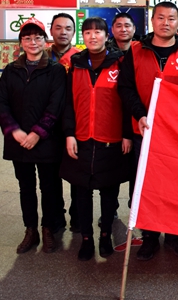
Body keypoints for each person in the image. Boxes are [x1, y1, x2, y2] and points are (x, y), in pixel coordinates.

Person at [118, 1, 178, 261]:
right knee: (145, 185)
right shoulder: (135, 51)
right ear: (152, 20)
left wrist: (177, 118)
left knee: (175, 185)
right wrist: (140, 114)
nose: (165, 23)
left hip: (176, 134)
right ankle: (149, 237)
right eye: (160, 18)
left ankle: (174, 236)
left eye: (171, 18)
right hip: (143, 131)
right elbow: (125, 88)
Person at [60, 17, 131, 261]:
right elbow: (68, 103)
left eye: (98, 32)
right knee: (81, 191)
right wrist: (69, 134)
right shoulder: (76, 64)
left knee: (109, 191)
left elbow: (127, 100)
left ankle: (105, 235)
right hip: (81, 137)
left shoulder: (120, 63)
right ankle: (86, 238)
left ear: (106, 36)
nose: (93, 36)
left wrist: (126, 134)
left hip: (110, 138)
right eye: (88, 32)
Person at [0, 17, 67, 254]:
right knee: (25, 187)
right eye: (27, 38)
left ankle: (48, 228)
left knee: (49, 186)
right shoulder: (11, 70)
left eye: (37, 37)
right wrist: (14, 131)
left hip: (46, 141)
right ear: (21, 42)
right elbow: (0, 102)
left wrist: (37, 133)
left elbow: (56, 105)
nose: (32, 42)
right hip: (18, 142)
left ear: (45, 41)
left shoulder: (55, 70)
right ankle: (31, 229)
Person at [46, 12, 81, 232]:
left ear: (73, 32)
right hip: (47, 126)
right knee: (50, 176)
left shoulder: (80, 58)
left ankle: (77, 216)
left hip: (74, 124)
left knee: (77, 174)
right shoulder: (42, 56)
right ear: (51, 30)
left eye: (68, 28)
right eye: (58, 28)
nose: (63, 32)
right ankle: (56, 218)